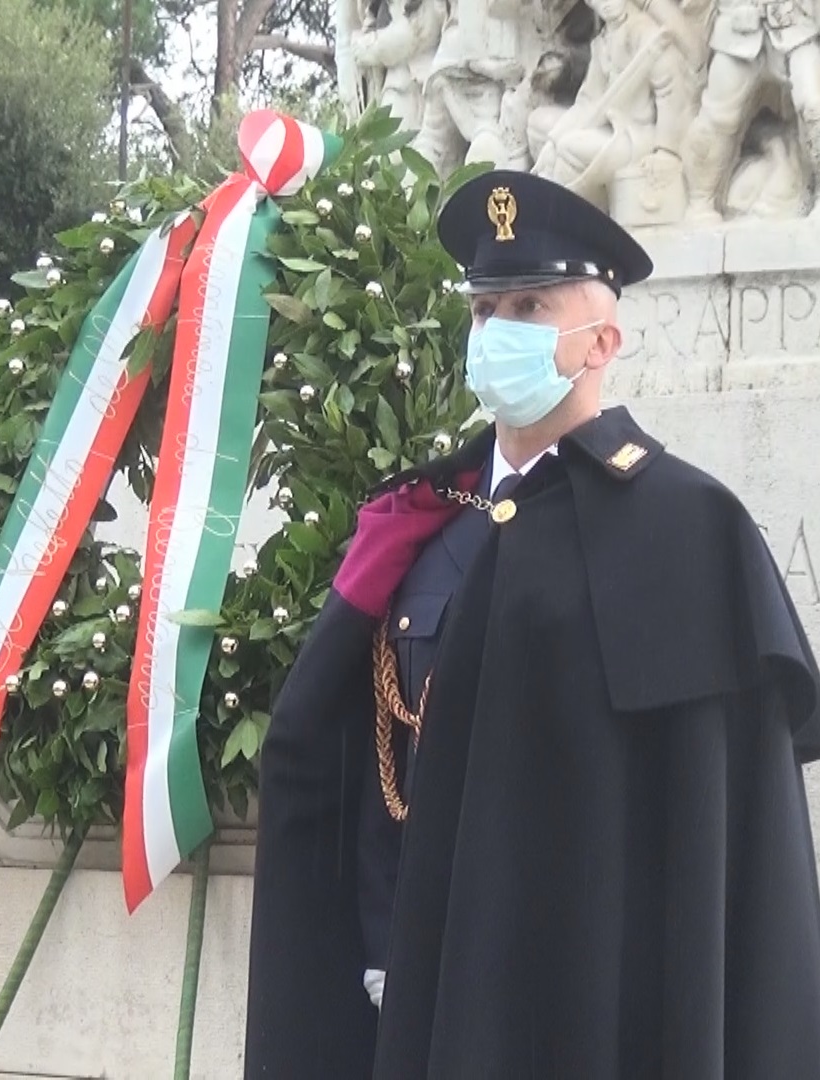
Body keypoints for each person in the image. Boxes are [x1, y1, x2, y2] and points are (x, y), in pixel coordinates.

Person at [244, 170, 820, 1077]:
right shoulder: (421, 529)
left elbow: (726, 852)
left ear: (602, 341)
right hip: (423, 1007)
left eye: (530, 305)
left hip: (594, 1017)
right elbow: (355, 766)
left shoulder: (689, 534)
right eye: (485, 310)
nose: (497, 332)